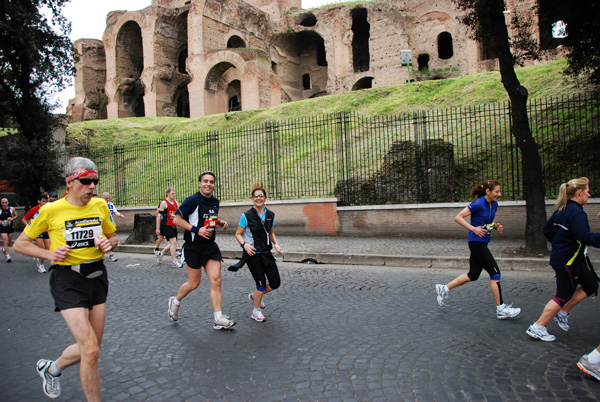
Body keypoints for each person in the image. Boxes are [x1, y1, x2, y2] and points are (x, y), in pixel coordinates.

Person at [13, 157, 118, 401]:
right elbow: (21, 244)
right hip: (67, 279)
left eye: (95, 181)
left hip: (97, 275)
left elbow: (113, 238)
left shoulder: (100, 205)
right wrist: (49, 254)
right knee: (90, 349)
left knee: (92, 350)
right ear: (70, 182)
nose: (91, 187)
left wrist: (107, 243)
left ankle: (51, 369)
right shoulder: (50, 210)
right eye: (85, 181)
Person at [526, 177, 600, 342]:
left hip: (568, 259)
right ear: (579, 192)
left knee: (591, 285)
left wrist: (560, 243)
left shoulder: (563, 208)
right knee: (563, 295)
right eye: (588, 191)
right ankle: (538, 326)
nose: (589, 194)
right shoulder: (578, 213)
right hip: (567, 261)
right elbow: (584, 236)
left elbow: (547, 229)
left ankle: (562, 311)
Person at [435, 180, 521, 320]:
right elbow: (458, 217)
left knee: (473, 275)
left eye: (499, 191)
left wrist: (496, 226)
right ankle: (501, 309)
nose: (499, 194)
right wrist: (473, 228)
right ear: (488, 191)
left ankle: (444, 288)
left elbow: (487, 223)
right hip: (476, 243)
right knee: (495, 274)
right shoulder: (478, 204)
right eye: (497, 191)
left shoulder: (494, 204)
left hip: (483, 242)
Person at [167, 171, 236, 329]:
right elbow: (176, 219)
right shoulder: (192, 200)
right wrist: (197, 230)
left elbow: (208, 216)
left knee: (216, 280)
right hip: (193, 247)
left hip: (210, 247)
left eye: (211, 181)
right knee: (193, 283)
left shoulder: (215, 201)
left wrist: (219, 222)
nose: (208, 184)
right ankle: (175, 302)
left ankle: (218, 318)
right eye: (205, 181)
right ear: (199, 183)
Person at [234, 182, 282, 322]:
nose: (258, 198)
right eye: (256, 196)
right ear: (252, 198)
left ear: (265, 198)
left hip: (266, 253)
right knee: (260, 284)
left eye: (261, 196)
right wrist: (244, 245)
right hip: (252, 254)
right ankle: (256, 311)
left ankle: (256, 296)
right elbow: (238, 234)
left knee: (275, 282)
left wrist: (276, 243)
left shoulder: (270, 215)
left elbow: (271, 232)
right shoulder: (246, 216)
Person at [22, 192, 51, 273]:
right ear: (39, 201)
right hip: (38, 232)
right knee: (42, 248)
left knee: (49, 249)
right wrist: (29, 227)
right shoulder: (33, 209)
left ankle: (37, 256)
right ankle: (41, 266)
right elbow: (24, 219)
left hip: (46, 231)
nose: (45, 203)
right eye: (43, 201)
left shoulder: (49, 209)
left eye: (46, 201)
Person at [155, 187, 182, 268]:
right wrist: (158, 228)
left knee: (173, 243)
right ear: (168, 194)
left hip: (173, 225)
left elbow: (177, 214)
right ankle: (174, 261)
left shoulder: (176, 203)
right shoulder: (164, 203)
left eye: (174, 193)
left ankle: (161, 253)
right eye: (172, 193)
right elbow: (159, 216)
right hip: (166, 225)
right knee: (173, 242)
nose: (174, 195)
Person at [101, 192, 125, 262]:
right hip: (102, 225)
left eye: (108, 198)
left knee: (110, 239)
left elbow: (115, 212)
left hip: (110, 224)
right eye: (106, 198)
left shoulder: (111, 205)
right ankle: (110, 254)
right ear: (102, 198)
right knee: (104, 239)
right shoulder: (100, 204)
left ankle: (108, 254)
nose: (107, 199)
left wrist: (120, 215)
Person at [0, 197, 18, 263]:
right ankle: (8, 256)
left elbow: (16, 216)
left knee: (9, 242)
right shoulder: (0, 210)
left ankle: (4, 250)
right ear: (1, 203)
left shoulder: (11, 209)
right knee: (5, 240)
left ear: (8, 203)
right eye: (3, 203)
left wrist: (12, 218)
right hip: (2, 227)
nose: (4, 204)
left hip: (9, 226)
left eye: (5, 203)